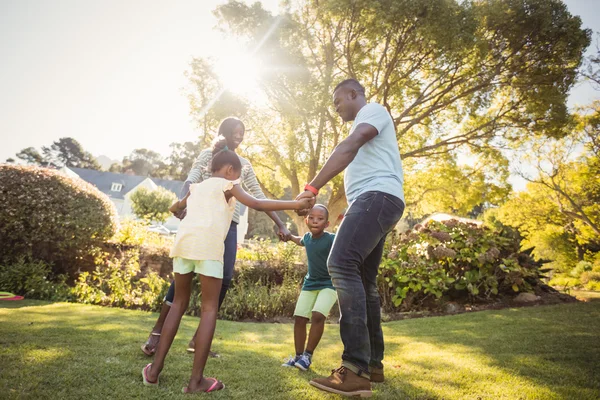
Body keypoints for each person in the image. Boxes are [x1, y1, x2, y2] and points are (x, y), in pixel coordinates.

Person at [141, 141, 314, 393]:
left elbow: (175, 207)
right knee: (209, 309)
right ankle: (195, 381)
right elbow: (256, 203)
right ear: (230, 170)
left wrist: (179, 207)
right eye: (239, 176)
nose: (239, 181)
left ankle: (154, 371)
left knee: (178, 303)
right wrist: (295, 205)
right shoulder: (228, 184)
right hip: (208, 247)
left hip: (184, 245)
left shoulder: (195, 187)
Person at [141, 117, 291, 356]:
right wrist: (183, 207)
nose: (240, 136)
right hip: (201, 224)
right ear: (225, 132)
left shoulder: (244, 164)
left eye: (243, 132)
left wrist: (280, 224)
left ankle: (198, 340)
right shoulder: (207, 156)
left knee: (224, 279)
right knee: (183, 278)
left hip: (228, 225)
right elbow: (191, 181)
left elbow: (258, 196)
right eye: (236, 132)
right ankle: (157, 332)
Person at [296, 79, 405, 397]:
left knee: (340, 264)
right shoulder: (364, 123)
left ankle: (354, 368)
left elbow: (349, 146)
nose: (336, 106)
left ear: (354, 94)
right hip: (376, 201)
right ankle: (372, 364)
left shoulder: (372, 111)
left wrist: (312, 188)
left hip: (377, 198)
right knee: (363, 279)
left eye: (338, 100)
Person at [281, 204, 337, 372]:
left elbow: (344, 247)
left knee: (318, 315)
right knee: (299, 318)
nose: (315, 221)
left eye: (320, 219)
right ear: (306, 220)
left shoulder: (331, 239)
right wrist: (289, 236)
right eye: (311, 218)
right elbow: (300, 241)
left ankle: (307, 356)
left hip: (330, 284)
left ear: (326, 224)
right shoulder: (307, 238)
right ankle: (298, 357)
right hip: (310, 283)